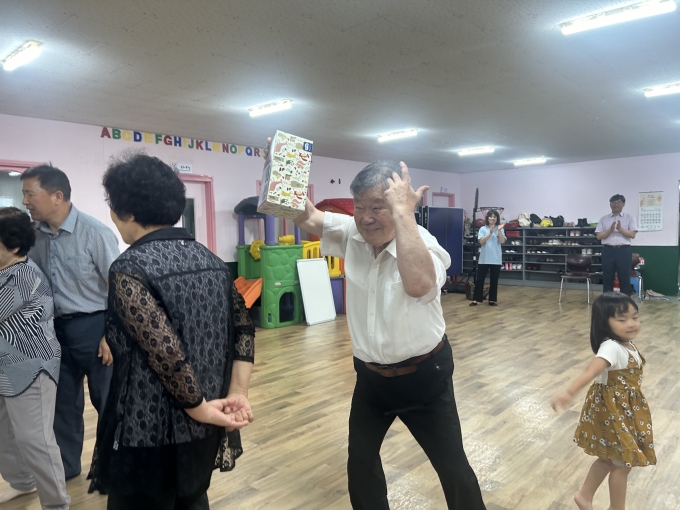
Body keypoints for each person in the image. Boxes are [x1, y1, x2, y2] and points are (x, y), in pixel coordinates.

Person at [288, 157, 486, 509]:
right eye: (360, 207)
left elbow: (419, 285)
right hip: (371, 379)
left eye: (378, 207)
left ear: (399, 206)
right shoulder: (354, 233)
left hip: (425, 378)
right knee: (361, 463)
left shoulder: (424, 243)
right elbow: (308, 217)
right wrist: (282, 168)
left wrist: (404, 215)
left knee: (453, 469)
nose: (366, 217)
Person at [87, 153, 255, 510]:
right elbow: (243, 330)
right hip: (204, 420)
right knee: (191, 498)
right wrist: (236, 393)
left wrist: (198, 408)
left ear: (127, 213)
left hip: (148, 427)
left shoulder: (130, 267)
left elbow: (166, 353)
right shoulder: (212, 261)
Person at [21, 164, 120, 480]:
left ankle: (114, 470)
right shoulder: (34, 236)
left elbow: (120, 289)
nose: (25, 201)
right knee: (62, 405)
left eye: (30, 194)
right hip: (54, 331)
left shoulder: (95, 233)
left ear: (57, 196)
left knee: (108, 402)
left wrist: (111, 334)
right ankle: (66, 468)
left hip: (96, 328)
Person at [551, 293, 655, 510]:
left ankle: (585, 496)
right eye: (622, 319)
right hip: (611, 411)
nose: (631, 324)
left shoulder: (626, 344)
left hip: (623, 410)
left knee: (611, 459)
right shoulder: (611, 347)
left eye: (635, 317)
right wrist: (569, 393)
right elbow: (591, 371)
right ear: (604, 323)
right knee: (623, 463)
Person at [0, 207, 70, 509]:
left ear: (14, 246)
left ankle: (56, 504)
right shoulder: (4, 270)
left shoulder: (24, 278)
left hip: (29, 367)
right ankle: (23, 482)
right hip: (5, 366)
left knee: (35, 440)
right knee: (5, 433)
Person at [595, 195, 637, 295]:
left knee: (624, 277)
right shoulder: (603, 219)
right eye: (613, 202)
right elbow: (599, 236)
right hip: (608, 250)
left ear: (623, 204)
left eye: (619, 202)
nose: (616, 204)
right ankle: (607, 300)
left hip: (624, 250)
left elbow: (632, 235)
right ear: (610, 205)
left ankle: (625, 301)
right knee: (607, 277)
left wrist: (620, 229)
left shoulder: (630, 218)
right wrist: (610, 230)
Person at [469, 209, 505, 306]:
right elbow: (481, 241)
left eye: (494, 217)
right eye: (491, 216)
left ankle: (492, 300)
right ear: (487, 218)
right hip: (484, 259)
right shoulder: (482, 229)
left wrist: (499, 231)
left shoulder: (500, 228)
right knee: (480, 279)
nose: (492, 218)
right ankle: (476, 299)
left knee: (494, 280)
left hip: (496, 259)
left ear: (497, 218)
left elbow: (502, 241)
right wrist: (490, 232)